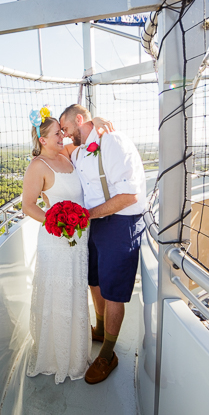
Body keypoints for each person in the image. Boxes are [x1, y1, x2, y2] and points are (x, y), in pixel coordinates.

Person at [22, 108, 113, 384]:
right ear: (42, 140)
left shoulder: (67, 154)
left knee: (75, 291)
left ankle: (76, 351)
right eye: (56, 133)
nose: (62, 136)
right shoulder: (37, 166)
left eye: (62, 132)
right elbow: (28, 206)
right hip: (57, 241)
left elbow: (91, 131)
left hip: (79, 239)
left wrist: (97, 122)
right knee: (58, 293)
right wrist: (57, 222)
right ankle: (57, 357)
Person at [59, 104, 146, 384]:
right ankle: (100, 328)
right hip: (95, 223)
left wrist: (89, 215)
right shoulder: (82, 150)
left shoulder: (113, 141)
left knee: (113, 292)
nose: (64, 133)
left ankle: (108, 354)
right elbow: (48, 149)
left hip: (120, 224)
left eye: (66, 127)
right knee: (94, 280)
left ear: (80, 120)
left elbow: (130, 195)